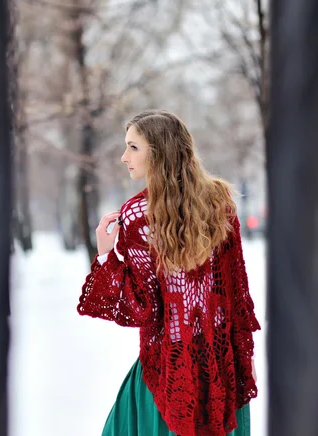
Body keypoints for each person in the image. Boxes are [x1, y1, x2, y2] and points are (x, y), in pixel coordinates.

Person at [77, 110, 260, 436]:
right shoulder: (219, 202)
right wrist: (244, 358)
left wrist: (106, 256)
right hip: (220, 369)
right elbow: (235, 292)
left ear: (158, 151)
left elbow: (139, 307)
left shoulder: (138, 215)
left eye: (133, 147)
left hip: (169, 373)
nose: (124, 157)